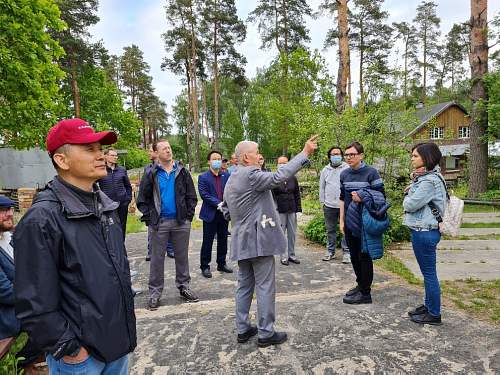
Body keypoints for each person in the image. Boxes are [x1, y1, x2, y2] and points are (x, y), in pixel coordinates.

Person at [14, 118, 136, 374]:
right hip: (80, 359)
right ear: (62, 160)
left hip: (117, 345)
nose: (100, 155)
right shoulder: (42, 219)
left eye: (100, 148)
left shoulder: (106, 206)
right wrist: (69, 349)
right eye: (89, 149)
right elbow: (34, 301)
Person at [222, 135, 318, 347]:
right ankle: (266, 332)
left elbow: (226, 209)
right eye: (257, 152)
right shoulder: (251, 174)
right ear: (247, 157)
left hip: (241, 241)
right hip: (258, 242)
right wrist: (305, 153)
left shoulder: (232, 176)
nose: (260, 156)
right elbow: (279, 176)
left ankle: (243, 328)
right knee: (265, 286)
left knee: (244, 285)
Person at [137, 139, 199, 310]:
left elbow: (191, 196)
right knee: (157, 259)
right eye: (163, 149)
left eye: (169, 148)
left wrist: (188, 215)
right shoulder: (151, 173)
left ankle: (184, 287)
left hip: (181, 222)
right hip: (160, 223)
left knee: (182, 256)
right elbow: (142, 199)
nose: (168, 151)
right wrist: (150, 218)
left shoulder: (182, 171)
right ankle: (155, 293)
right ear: (156, 153)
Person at [403, 142, 446, 325]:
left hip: (424, 232)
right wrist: (413, 186)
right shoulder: (429, 177)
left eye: (415, 156)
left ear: (426, 158)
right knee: (427, 273)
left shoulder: (429, 181)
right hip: (424, 231)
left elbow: (410, 205)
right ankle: (428, 306)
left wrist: (408, 194)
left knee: (429, 274)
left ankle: (434, 314)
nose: (412, 158)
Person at [339, 141, 384, 305]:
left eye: (352, 154)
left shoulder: (371, 173)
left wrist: (363, 196)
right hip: (350, 223)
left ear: (361, 155)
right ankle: (360, 285)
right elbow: (342, 198)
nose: (349, 158)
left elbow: (380, 198)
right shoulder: (344, 174)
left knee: (364, 257)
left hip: (365, 223)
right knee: (354, 257)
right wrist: (341, 221)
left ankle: (366, 293)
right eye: (347, 155)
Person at [198, 151, 232, 278]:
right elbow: (204, 194)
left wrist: (226, 205)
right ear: (209, 161)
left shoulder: (226, 176)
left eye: (219, 158)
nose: (217, 161)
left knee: (223, 240)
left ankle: (221, 263)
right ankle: (205, 266)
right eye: (214, 159)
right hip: (210, 214)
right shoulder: (203, 177)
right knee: (208, 241)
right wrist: (219, 204)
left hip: (224, 214)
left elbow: (230, 192)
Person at [320, 146, 351, 263]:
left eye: (338, 154)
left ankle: (347, 252)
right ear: (329, 157)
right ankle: (330, 251)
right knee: (330, 230)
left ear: (342, 156)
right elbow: (322, 187)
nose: (336, 156)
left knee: (346, 229)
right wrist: (322, 202)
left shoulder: (347, 168)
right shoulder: (325, 170)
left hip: (345, 205)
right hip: (329, 206)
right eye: (333, 154)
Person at [145, 145, 174, 261]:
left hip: (170, 210)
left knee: (171, 229)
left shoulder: (172, 168)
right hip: (155, 210)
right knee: (153, 234)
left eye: (151, 151)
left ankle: (170, 249)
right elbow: (144, 192)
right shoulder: (148, 169)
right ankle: (151, 251)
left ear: (157, 153)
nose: (149, 153)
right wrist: (148, 211)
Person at [272, 156, 302, 266]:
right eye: (280, 163)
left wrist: (298, 208)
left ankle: (292, 255)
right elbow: (272, 196)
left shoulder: (293, 178)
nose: (283, 165)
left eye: (285, 163)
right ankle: (283, 256)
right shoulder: (274, 178)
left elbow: (297, 194)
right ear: (277, 165)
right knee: (281, 233)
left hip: (292, 208)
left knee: (292, 233)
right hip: (280, 209)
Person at [97, 148, 132, 240]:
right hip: (108, 205)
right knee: (110, 226)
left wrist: (128, 199)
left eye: (116, 155)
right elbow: (92, 184)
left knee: (122, 226)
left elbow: (128, 186)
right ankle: (112, 248)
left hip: (122, 203)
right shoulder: (101, 169)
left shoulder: (121, 170)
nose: (115, 157)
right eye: (112, 155)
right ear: (105, 156)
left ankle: (122, 247)